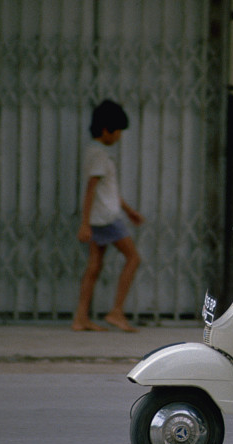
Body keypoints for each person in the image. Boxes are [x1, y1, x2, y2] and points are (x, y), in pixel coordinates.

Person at [72, 100, 144, 333]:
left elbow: (106, 191)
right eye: (118, 131)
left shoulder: (94, 152)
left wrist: (129, 210)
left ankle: (80, 318)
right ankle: (116, 312)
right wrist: (84, 224)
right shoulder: (99, 155)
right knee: (133, 258)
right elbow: (91, 189)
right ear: (106, 130)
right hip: (106, 219)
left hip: (101, 217)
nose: (120, 136)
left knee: (94, 266)